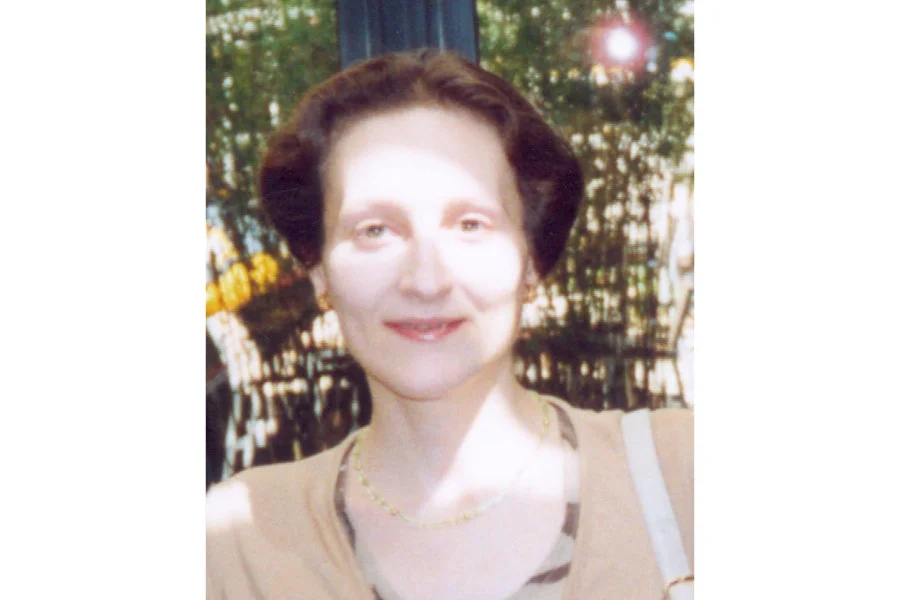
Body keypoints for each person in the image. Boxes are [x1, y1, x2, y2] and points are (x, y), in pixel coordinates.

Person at [206, 49, 693, 600]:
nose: (426, 280)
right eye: (375, 230)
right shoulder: (236, 540)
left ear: (531, 260)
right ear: (318, 269)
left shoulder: (682, 476)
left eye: (470, 224)